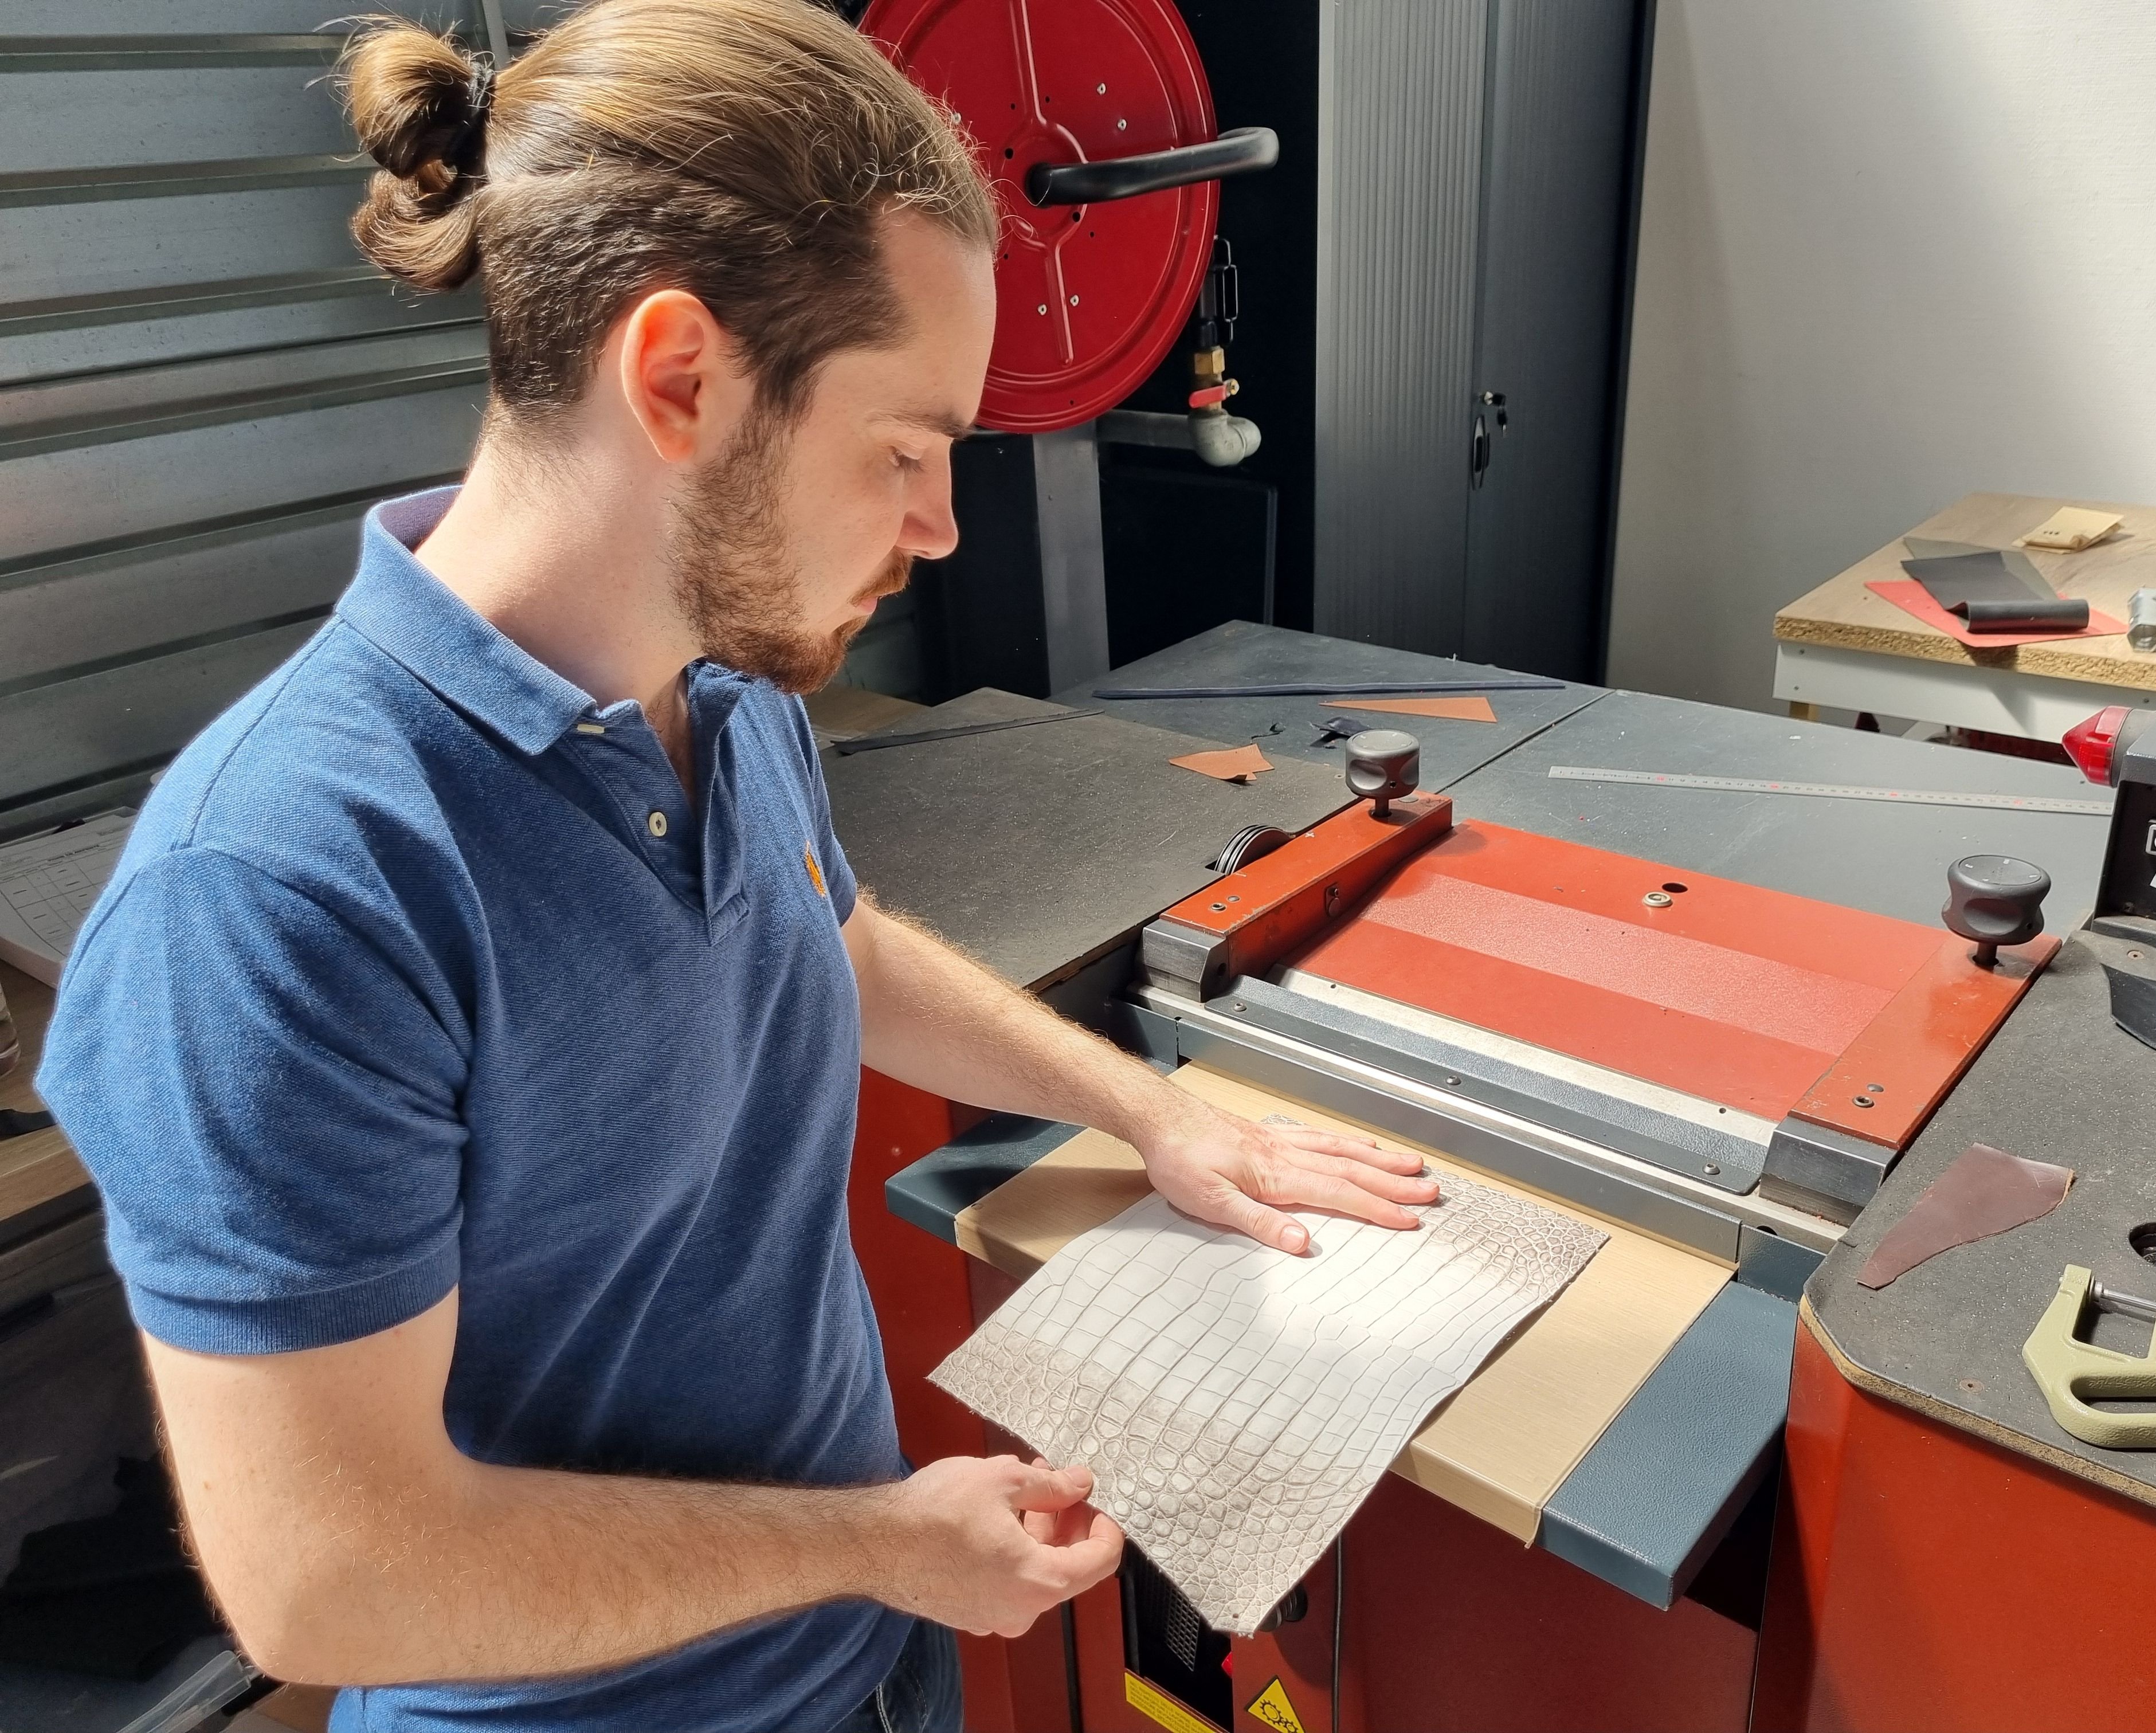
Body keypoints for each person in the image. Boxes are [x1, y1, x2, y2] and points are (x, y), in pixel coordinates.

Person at [35, 5, 1437, 1731]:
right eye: (905, 453)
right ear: (681, 378)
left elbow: (826, 944)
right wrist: (869, 1544)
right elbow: (327, 1578)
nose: (939, 530)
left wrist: (1154, 1113)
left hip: (865, 1663)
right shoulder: (275, 897)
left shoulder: (720, 678)